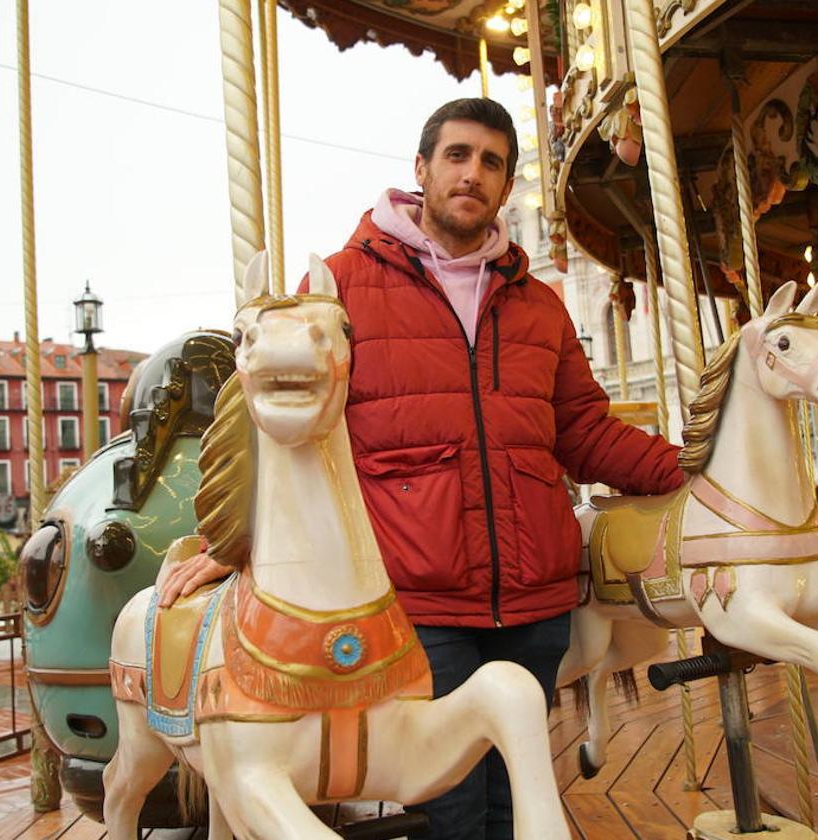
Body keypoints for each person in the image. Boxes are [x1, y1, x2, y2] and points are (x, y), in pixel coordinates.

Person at [162, 97, 684, 840]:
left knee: (518, 792)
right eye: (458, 155)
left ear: (507, 187)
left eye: (492, 163)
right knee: (451, 809)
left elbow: (584, 431)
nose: (473, 174)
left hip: (532, 596)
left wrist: (688, 473)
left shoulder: (539, 307)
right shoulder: (340, 287)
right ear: (421, 169)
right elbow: (281, 422)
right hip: (415, 598)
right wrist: (229, 543)